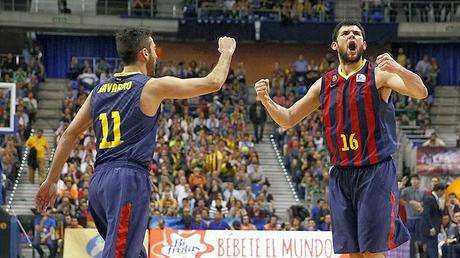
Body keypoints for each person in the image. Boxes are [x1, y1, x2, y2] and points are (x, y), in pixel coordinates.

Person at [35, 27, 236, 258]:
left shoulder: (98, 91)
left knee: (132, 251)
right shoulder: (151, 86)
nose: (157, 54)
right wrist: (227, 52)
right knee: (120, 254)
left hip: (99, 183)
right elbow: (214, 82)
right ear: (145, 54)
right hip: (127, 180)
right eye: (153, 49)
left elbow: (68, 135)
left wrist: (51, 180)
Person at [254, 20, 428, 257]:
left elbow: (420, 91)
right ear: (335, 44)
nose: (351, 36)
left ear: (363, 44)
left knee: (371, 251)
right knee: (348, 254)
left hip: (375, 172)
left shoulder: (379, 76)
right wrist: (266, 101)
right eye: (346, 33)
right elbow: (287, 118)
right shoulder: (324, 84)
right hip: (341, 174)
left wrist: (399, 68)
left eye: (356, 33)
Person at [421, 183, 448, 258]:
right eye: (443, 191)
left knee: (430, 250)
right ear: (439, 190)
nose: (443, 194)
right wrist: (431, 227)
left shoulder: (435, 199)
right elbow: (426, 214)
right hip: (431, 229)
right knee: (432, 249)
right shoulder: (430, 198)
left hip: (434, 228)